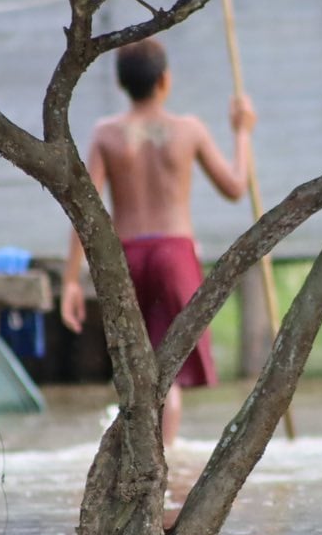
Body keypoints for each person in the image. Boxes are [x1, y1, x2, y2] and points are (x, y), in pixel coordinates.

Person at [60, 37, 256, 446]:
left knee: (136, 369)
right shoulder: (189, 130)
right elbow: (236, 186)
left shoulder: (107, 134)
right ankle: (162, 459)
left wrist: (71, 280)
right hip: (175, 252)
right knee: (169, 375)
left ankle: (139, 458)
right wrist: (243, 132)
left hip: (125, 256)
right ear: (164, 81)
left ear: (121, 84)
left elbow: (84, 210)